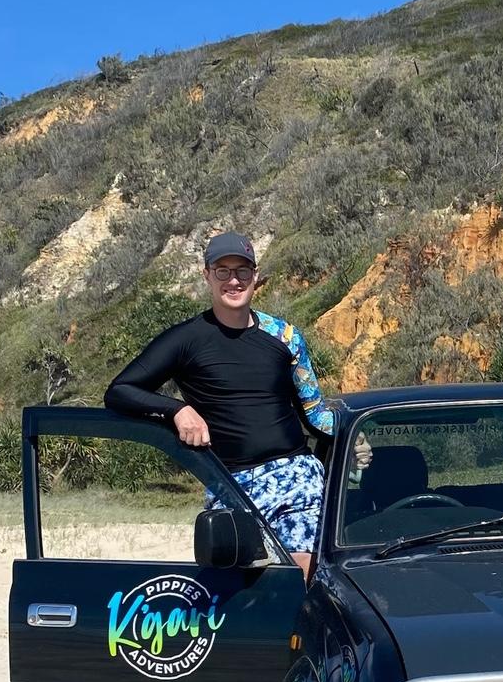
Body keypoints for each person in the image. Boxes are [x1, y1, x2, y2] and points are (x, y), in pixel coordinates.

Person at [105, 232, 369, 579]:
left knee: (299, 577)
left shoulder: (286, 337)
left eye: (243, 271)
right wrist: (178, 411)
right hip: (230, 485)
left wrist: (353, 435)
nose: (234, 281)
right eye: (223, 271)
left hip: (297, 477)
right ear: (207, 276)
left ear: (255, 276)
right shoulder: (185, 339)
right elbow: (120, 391)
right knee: (243, 587)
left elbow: (316, 414)